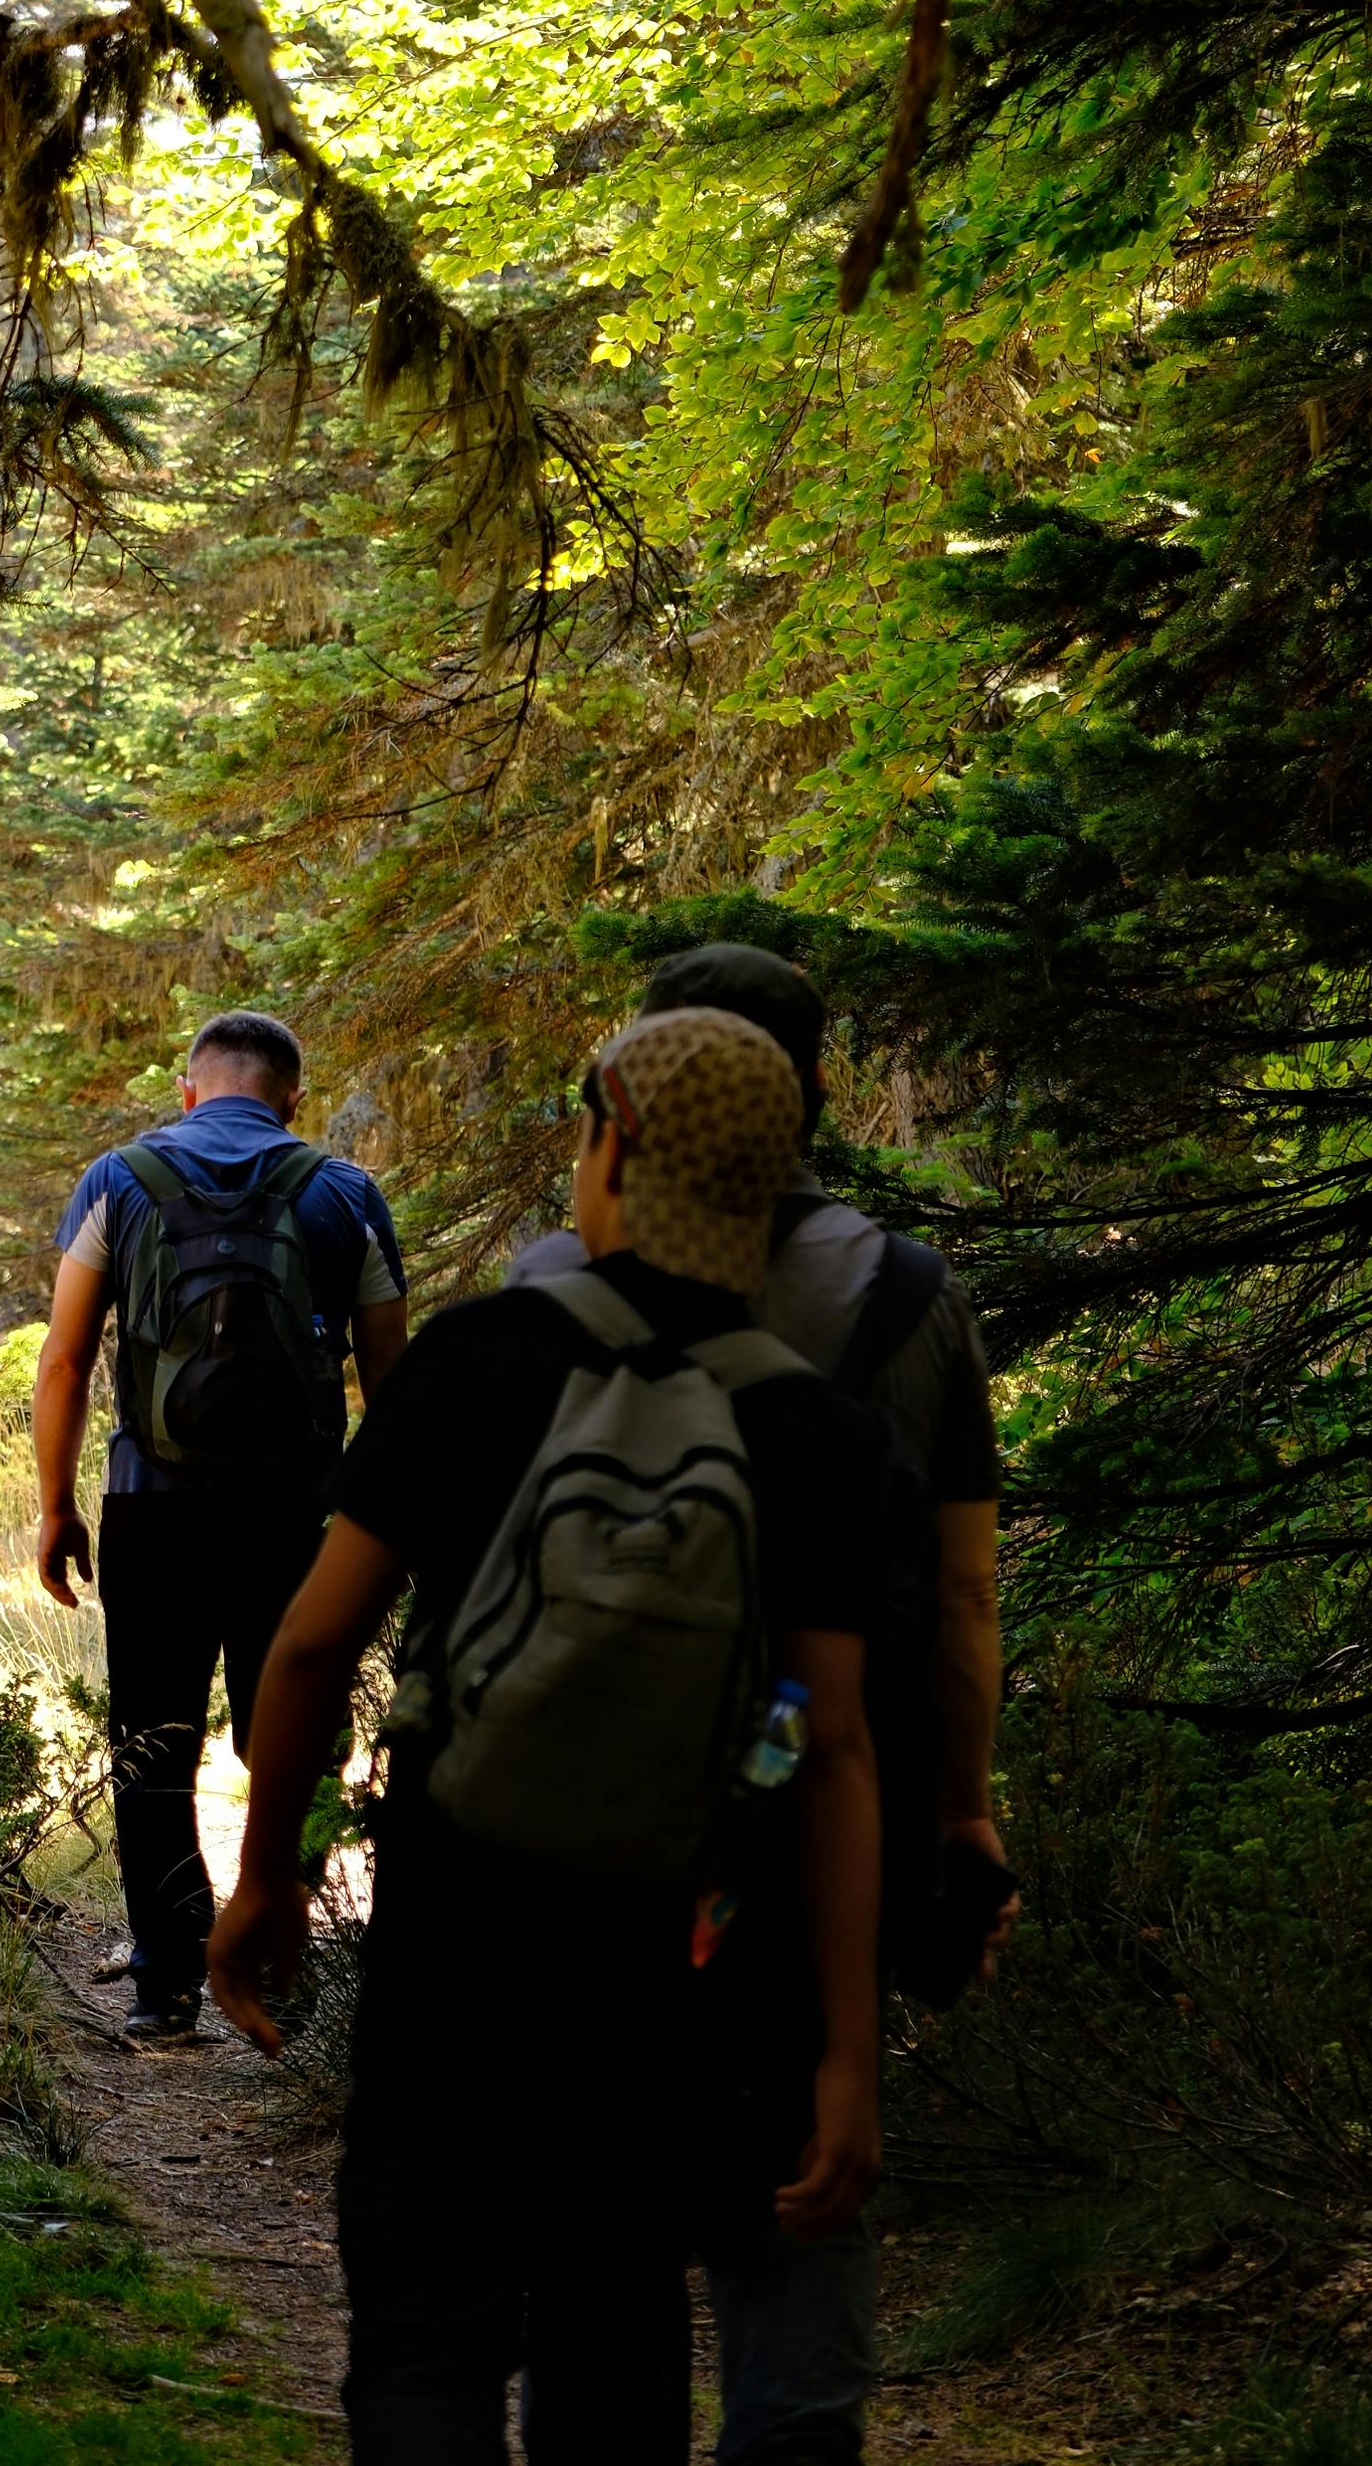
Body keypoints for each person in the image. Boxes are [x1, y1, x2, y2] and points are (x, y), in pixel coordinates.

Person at [210, 1005, 887, 2466]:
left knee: (425, 2344)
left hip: (462, 1932)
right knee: (617, 2319)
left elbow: (313, 1646)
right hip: (680, 1964)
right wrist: (845, 2053)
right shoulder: (817, 1433)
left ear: (615, 1144)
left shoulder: (481, 1359)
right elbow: (827, 1751)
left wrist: (265, 1879)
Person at [514, 942, 1008, 2466]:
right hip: (822, 1796)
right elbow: (967, 1599)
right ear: (810, 1091)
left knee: (598, 2200)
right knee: (803, 2168)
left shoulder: (547, 1284)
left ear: (637, 1094)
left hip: (589, 1804)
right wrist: (963, 1807)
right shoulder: (910, 1296)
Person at [35, 1008, 408, 2041]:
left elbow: (64, 1358)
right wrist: (394, 1531)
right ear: (293, 1098)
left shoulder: (119, 1179)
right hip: (297, 1515)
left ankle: (166, 1986)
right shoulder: (345, 1192)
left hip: (150, 1505)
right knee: (290, 1730)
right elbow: (392, 1385)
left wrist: (56, 1505)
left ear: (189, 1092)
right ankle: (284, 1964)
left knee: (152, 1741)